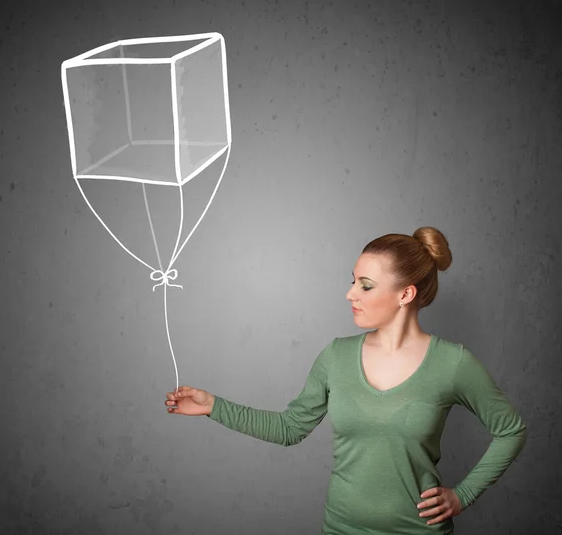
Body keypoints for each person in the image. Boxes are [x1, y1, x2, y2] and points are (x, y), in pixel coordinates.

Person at [164, 227, 527, 535]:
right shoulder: (336, 356)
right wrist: (214, 406)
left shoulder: (452, 363)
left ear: (405, 294)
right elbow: (290, 428)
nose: (350, 293)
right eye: (352, 281)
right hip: (342, 529)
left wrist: (462, 495)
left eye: (366, 286)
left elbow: (511, 431)